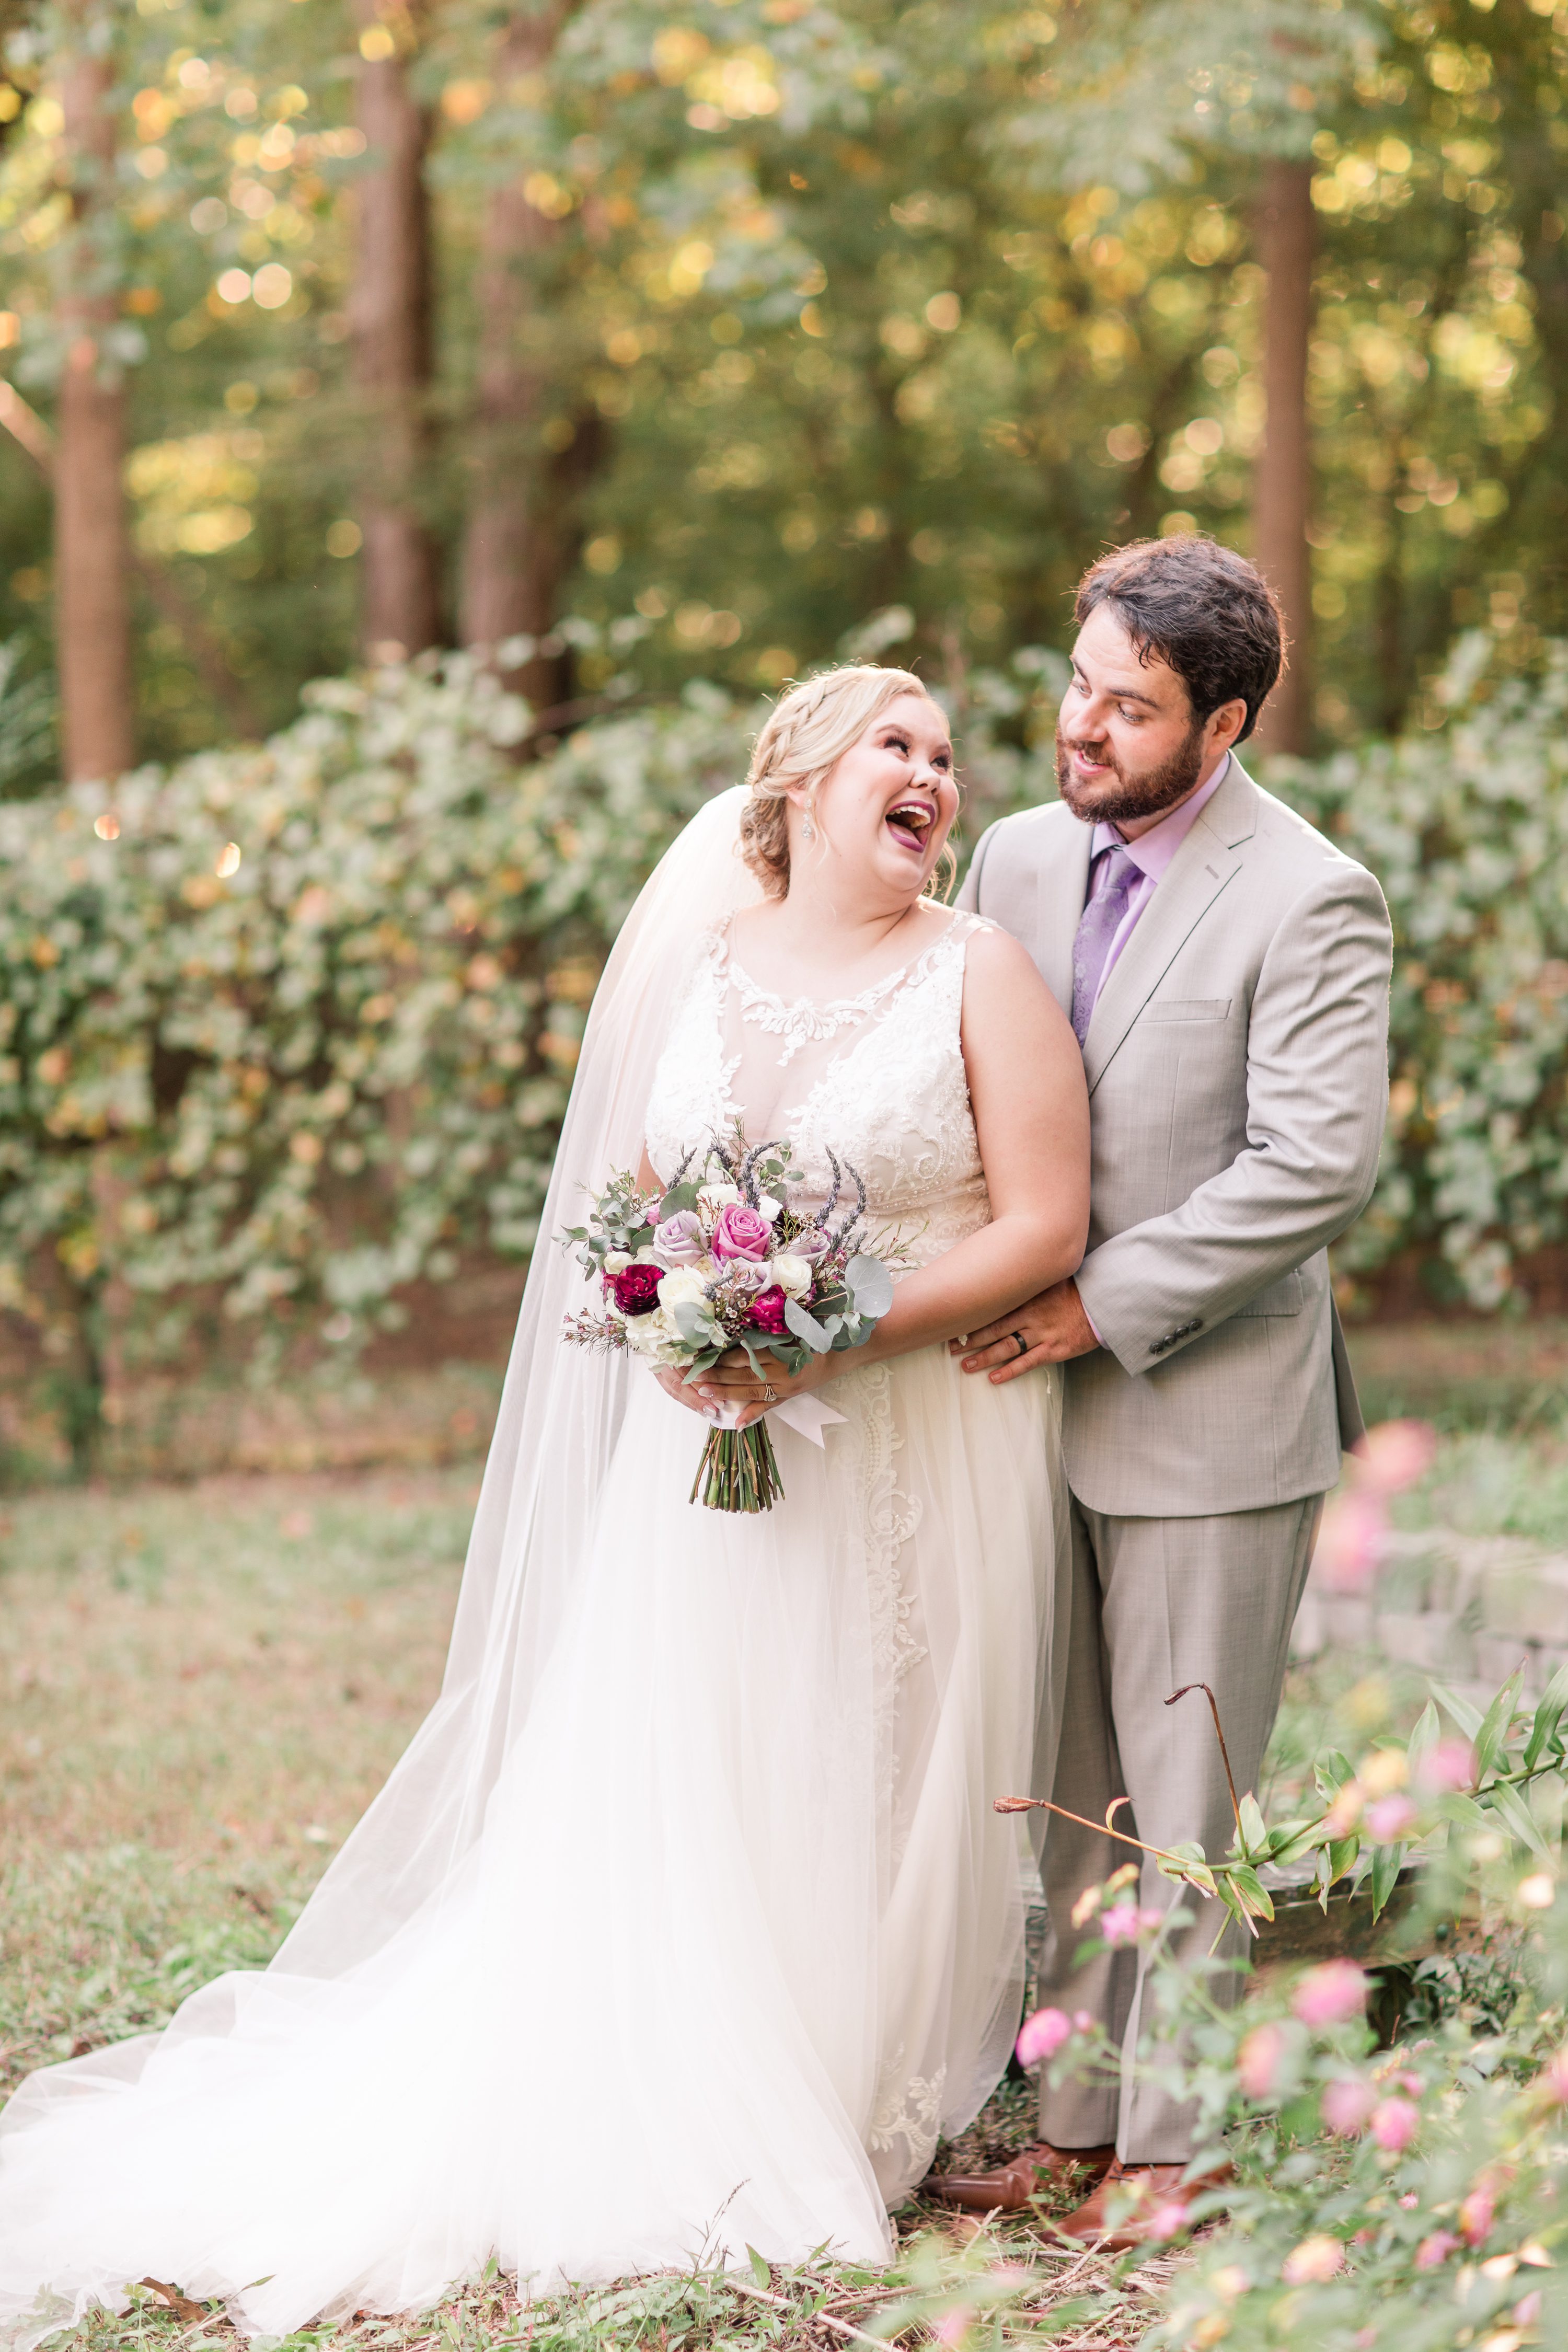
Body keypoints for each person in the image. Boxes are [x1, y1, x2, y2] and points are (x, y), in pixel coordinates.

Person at [0, 665, 1089, 2345]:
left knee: (880, 1741)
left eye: (946, 755)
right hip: (704, 1447)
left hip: (918, 1440)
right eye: (897, 743)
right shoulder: (703, 965)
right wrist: (687, 1327)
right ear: (803, 778)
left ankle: (853, 2081)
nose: (933, 774)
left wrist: (838, 1328)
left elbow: (1042, 1222)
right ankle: (693, 2061)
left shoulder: (980, 969)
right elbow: (638, 1214)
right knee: (702, 1744)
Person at [933, 536, 1392, 2247]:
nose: (1083, 725)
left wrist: (1095, 1305)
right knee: (1069, 1792)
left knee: (1184, 1804)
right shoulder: (1012, 856)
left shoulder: (1313, 894)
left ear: (1225, 722)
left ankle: (1177, 2151)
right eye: (1078, 684)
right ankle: (1075, 2121)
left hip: (1208, 1413)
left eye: (1129, 707)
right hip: (1016, 1418)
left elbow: (1312, 1166)